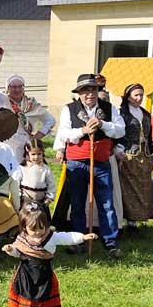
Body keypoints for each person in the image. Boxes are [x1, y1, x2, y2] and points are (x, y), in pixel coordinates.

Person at [53, 73, 125, 257]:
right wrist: (83, 130)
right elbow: (63, 134)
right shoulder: (69, 109)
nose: (90, 94)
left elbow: (120, 130)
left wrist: (102, 124)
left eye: (93, 90)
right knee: (77, 204)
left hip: (101, 162)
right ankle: (79, 241)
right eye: (85, 91)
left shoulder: (109, 108)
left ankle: (110, 243)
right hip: (77, 162)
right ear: (79, 93)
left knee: (107, 204)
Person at [3, 202, 96, 307]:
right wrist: (10, 249)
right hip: (27, 275)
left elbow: (66, 237)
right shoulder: (22, 239)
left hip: (45, 274)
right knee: (27, 297)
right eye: (33, 229)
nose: (37, 232)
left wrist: (82, 237)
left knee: (47, 298)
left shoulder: (51, 237)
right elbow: (17, 252)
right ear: (24, 228)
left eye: (41, 228)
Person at [0, 73, 55, 157]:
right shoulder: (2, 99)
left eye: (20, 86)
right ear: (7, 88)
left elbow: (51, 120)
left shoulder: (32, 105)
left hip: (24, 143)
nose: (17, 90)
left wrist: (37, 136)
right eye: (13, 87)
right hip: (5, 142)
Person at [115, 83, 153, 228]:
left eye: (141, 95)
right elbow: (118, 135)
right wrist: (118, 150)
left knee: (142, 187)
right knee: (127, 188)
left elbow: (149, 136)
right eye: (136, 95)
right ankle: (128, 220)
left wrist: (152, 152)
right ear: (128, 97)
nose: (139, 98)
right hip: (128, 154)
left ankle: (138, 218)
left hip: (144, 155)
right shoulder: (122, 113)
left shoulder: (145, 114)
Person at [19, 141, 55, 209]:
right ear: (28, 152)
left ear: (43, 152)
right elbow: (16, 183)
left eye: (39, 154)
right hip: (25, 200)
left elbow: (51, 185)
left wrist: (49, 198)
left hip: (41, 202)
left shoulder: (46, 169)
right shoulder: (22, 168)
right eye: (33, 154)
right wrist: (19, 196)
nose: (36, 157)